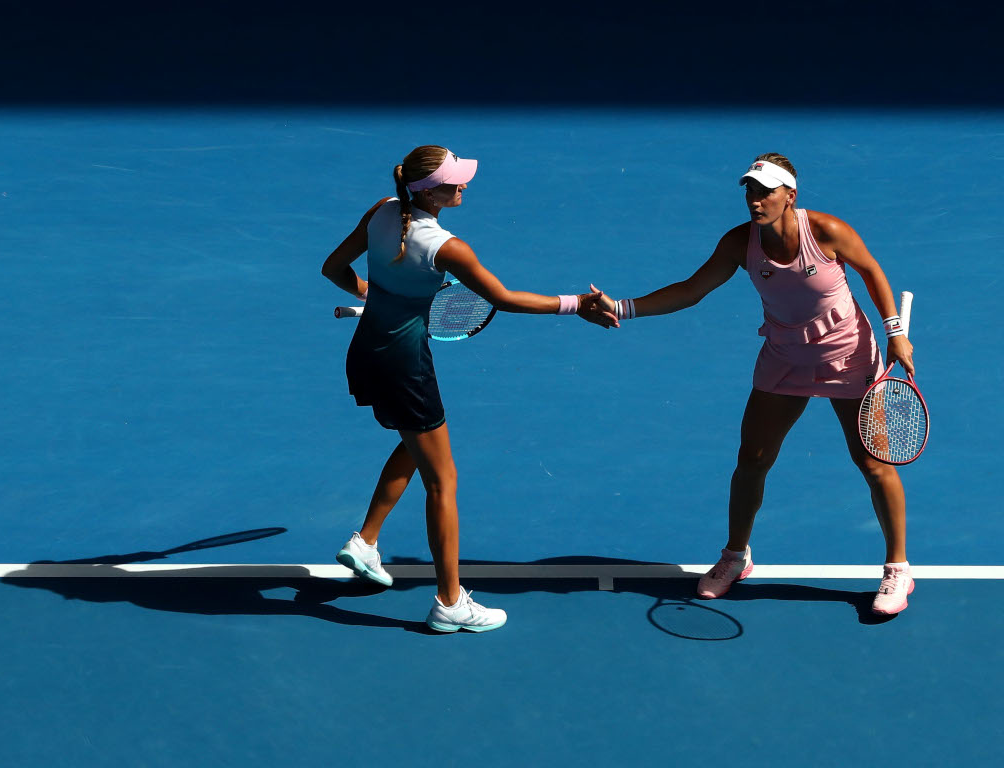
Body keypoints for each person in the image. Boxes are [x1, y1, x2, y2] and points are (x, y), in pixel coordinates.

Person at [598, 153, 916, 615]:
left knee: (873, 464)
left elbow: (871, 271)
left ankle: (898, 569)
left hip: (848, 357)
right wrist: (623, 307)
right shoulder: (738, 243)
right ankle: (735, 557)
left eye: (766, 190)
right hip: (784, 358)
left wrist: (895, 332)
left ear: (791, 195)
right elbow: (691, 290)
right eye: (750, 189)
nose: (756, 199)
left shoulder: (826, 231)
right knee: (752, 461)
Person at [321, 145, 616, 632]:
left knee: (415, 444)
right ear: (426, 190)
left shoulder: (381, 212)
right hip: (405, 366)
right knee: (443, 480)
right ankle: (450, 601)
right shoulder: (446, 247)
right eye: (453, 180)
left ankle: (366, 541)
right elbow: (504, 298)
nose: (463, 185)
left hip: (366, 353)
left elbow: (334, 268)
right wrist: (576, 304)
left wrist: (372, 293)